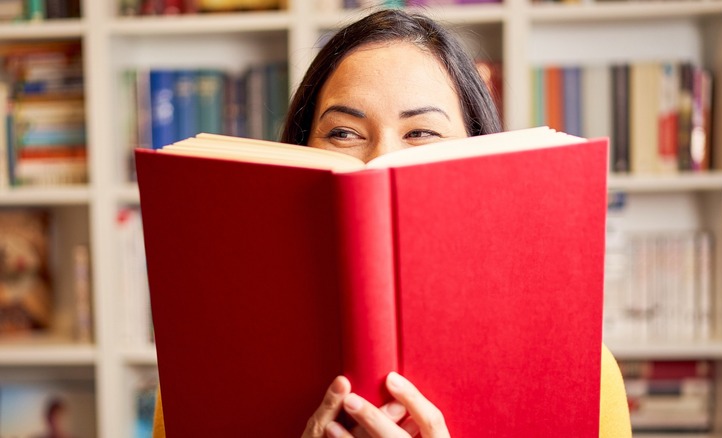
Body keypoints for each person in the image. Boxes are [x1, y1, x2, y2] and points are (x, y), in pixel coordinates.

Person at [152, 9, 631, 438]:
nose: (381, 158)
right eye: (342, 132)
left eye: (420, 132)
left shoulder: (583, 378)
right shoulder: (199, 378)